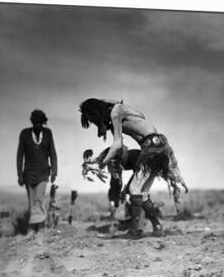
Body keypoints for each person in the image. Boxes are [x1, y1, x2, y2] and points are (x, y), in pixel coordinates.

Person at [79, 98, 187, 238]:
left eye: (93, 120)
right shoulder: (120, 111)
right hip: (158, 146)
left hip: (151, 148)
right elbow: (139, 119)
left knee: (134, 189)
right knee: (143, 194)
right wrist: (96, 160)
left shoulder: (115, 112)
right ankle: (157, 226)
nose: (95, 124)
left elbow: (117, 145)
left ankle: (134, 232)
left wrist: (102, 164)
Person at [16, 109, 58, 233]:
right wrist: (20, 174)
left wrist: (54, 171)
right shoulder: (24, 134)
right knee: (31, 202)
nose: (37, 125)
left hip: (43, 173)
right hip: (28, 174)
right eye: (35, 122)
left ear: (43, 123)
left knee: (39, 199)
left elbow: (53, 153)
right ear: (32, 122)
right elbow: (20, 155)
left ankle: (37, 226)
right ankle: (34, 226)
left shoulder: (48, 133)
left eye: (40, 123)